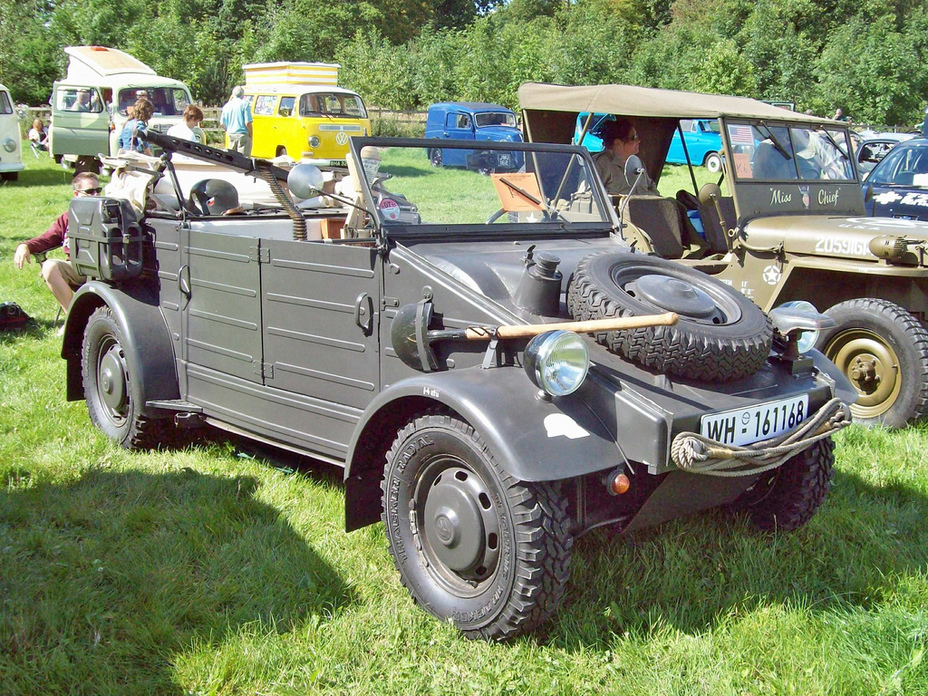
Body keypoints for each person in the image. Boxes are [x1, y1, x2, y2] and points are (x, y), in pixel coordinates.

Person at [13, 172, 101, 314]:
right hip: (78, 268)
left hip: (105, 268)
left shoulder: (110, 215)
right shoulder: (68, 217)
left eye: (99, 190)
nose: (96, 195)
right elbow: (48, 238)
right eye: (90, 191)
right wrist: (26, 245)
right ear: (76, 194)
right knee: (49, 267)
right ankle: (75, 320)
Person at [593, 119, 659, 196]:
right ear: (618, 143)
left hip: (646, 207)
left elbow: (651, 187)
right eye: (634, 137)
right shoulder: (601, 163)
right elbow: (589, 195)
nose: (639, 141)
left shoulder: (637, 163)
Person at [220, 86, 253, 156]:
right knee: (244, 160)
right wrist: (251, 135)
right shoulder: (245, 104)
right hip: (242, 135)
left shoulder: (227, 106)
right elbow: (247, 123)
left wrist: (228, 129)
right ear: (242, 95)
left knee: (232, 159)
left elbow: (222, 123)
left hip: (231, 134)